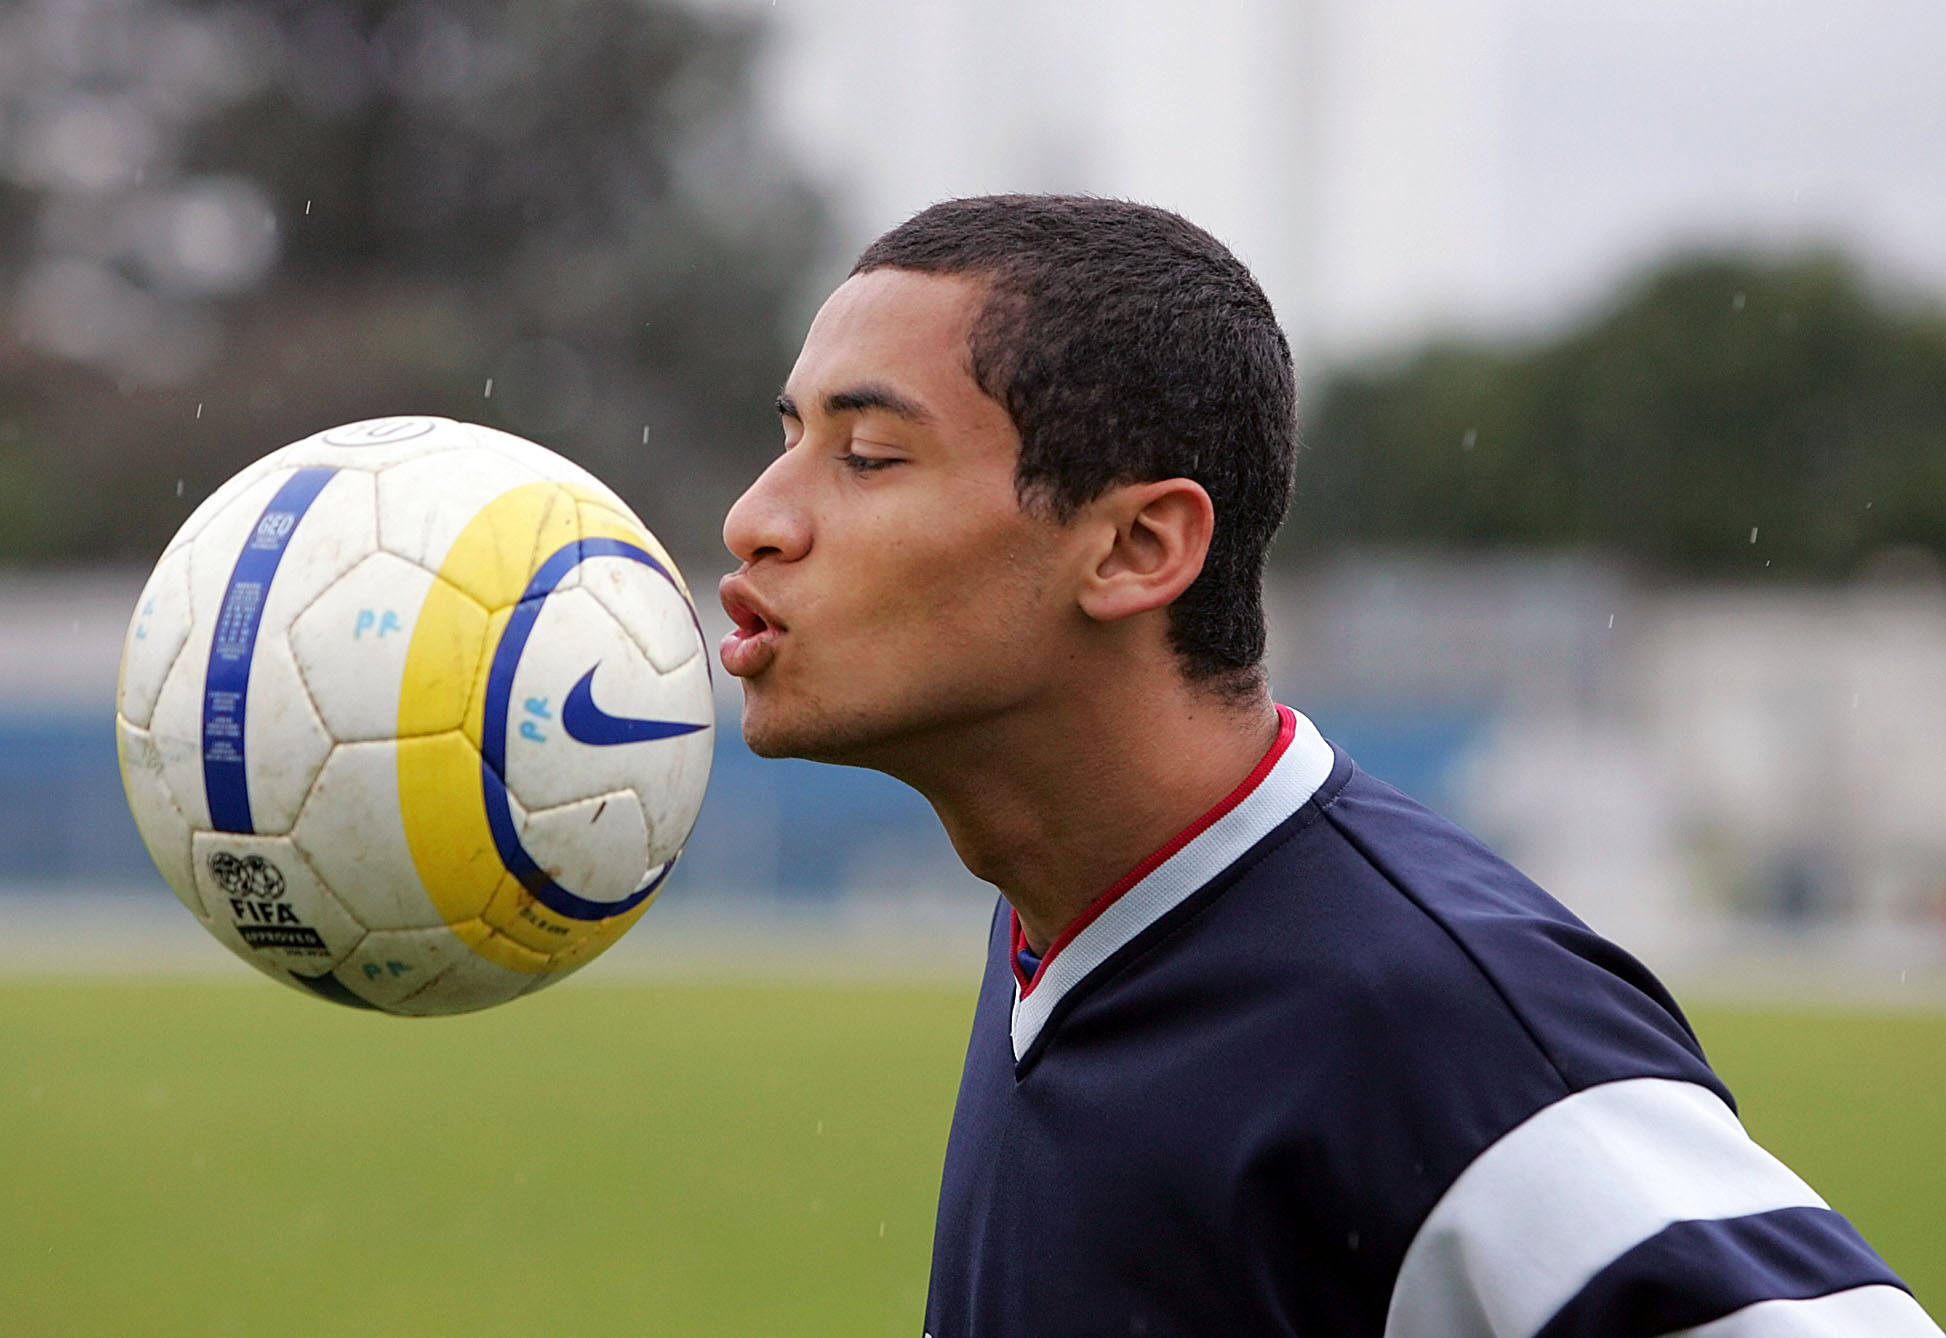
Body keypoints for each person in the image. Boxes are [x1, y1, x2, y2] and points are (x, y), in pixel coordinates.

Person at [715, 194, 1938, 1338]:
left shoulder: (1432, 1022)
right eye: (789, 438)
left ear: (1137, 545)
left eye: (866, 454)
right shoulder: (1066, 916)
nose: (755, 518)